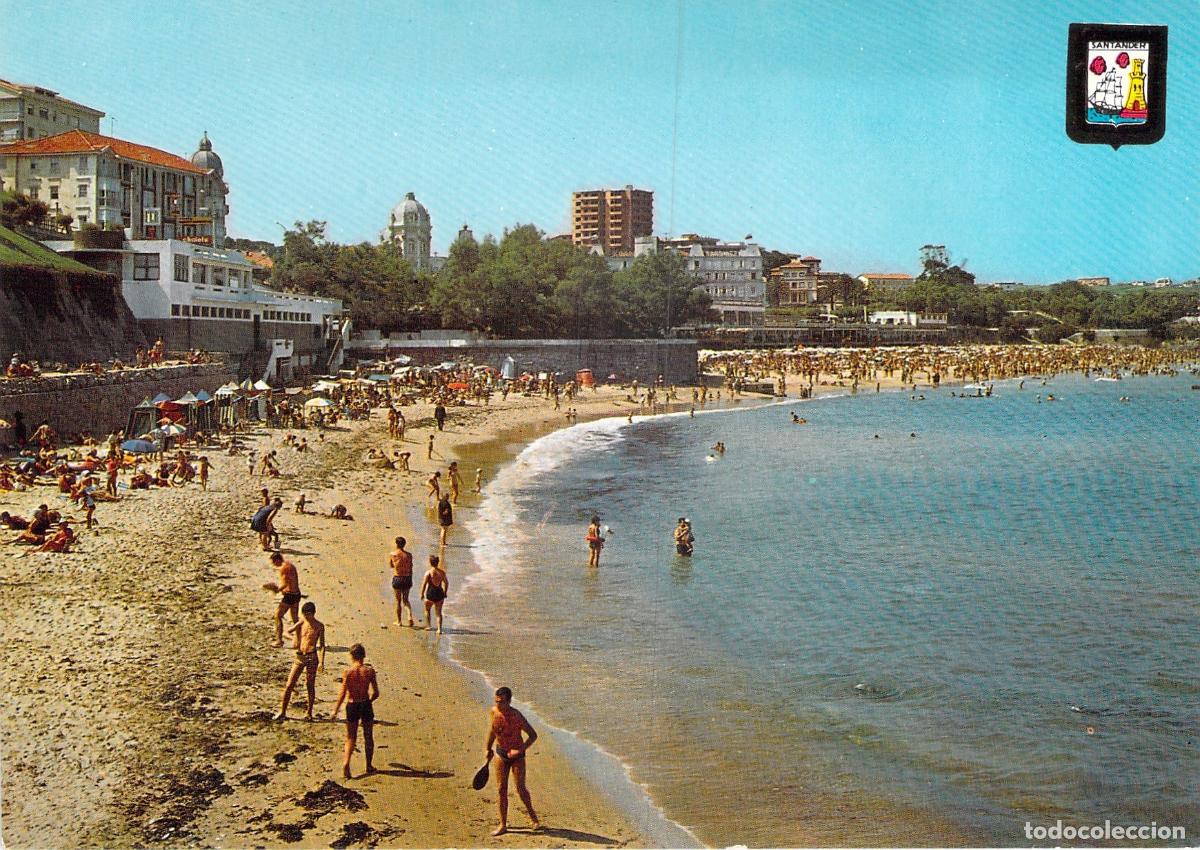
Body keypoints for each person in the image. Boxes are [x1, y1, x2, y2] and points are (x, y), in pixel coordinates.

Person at [485, 686, 540, 836]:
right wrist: (488, 748)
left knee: (520, 788)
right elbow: (493, 730)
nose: (498, 705)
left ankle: (534, 818)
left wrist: (520, 750)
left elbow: (533, 735)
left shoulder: (517, 716)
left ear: (509, 701)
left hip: (517, 756)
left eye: (501, 702)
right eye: (496, 701)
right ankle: (503, 825)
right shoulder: (494, 712)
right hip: (501, 753)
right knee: (501, 788)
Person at [330, 643, 379, 779]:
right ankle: (369, 766)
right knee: (368, 736)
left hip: (352, 705)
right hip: (365, 704)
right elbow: (376, 693)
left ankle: (346, 763)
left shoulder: (348, 672)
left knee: (351, 737)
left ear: (352, 656)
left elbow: (342, 694)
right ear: (363, 656)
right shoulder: (369, 671)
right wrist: (369, 702)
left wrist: (335, 710)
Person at [274, 600, 325, 721]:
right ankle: (282, 711)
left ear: (313, 613)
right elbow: (287, 631)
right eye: (304, 614)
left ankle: (309, 713)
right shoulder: (302, 622)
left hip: (312, 657)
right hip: (300, 656)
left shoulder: (319, 626)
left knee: (310, 685)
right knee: (289, 684)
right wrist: (294, 639)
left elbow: (322, 645)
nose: (306, 617)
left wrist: (322, 662)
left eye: (308, 614)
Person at [271, 550, 302, 647]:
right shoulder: (290, 565)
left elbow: (285, 584)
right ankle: (299, 641)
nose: (274, 565)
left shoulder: (283, 568)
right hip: (296, 594)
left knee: (278, 616)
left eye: (274, 562)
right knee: (295, 619)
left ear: (277, 560)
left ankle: (279, 640)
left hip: (289, 596)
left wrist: (276, 590)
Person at [419, 554, 449, 633]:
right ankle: (439, 629)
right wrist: (445, 592)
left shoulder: (428, 573)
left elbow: (424, 584)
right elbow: (446, 583)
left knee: (427, 610)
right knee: (438, 612)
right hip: (439, 593)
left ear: (430, 562)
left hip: (430, 593)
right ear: (438, 562)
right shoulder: (442, 573)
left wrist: (422, 594)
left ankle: (428, 625)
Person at [389, 536, 415, 626]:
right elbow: (411, 567)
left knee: (398, 601)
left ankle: (399, 621)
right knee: (406, 600)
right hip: (407, 578)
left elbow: (391, 565)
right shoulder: (409, 555)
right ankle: (409, 616)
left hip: (398, 578)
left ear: (396, 544)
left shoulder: (393, 554)